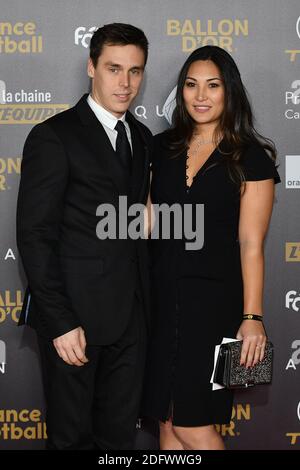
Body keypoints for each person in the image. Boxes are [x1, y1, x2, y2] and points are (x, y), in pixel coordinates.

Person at [16, 23, 152, 450]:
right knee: (71, 441)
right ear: (91, 66)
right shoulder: (53, 136)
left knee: (118, 441)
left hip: (131, 321)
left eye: (135, 71)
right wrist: (60, 322)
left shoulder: (143, 138)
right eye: (114, 69)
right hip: (74, 322)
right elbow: (35, 235)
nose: (125, 83)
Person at [142, 45, 280, 450]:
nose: (200, 96)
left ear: (229, 92)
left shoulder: (249, 158)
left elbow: (252, 244)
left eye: (213, 85)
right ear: (181, 91)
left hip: (213, 307)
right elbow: (147, 223)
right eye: (191, 85)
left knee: (192, 424)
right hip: (162, 303)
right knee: (167, 423)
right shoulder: (160, 148)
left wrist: (252, 316)